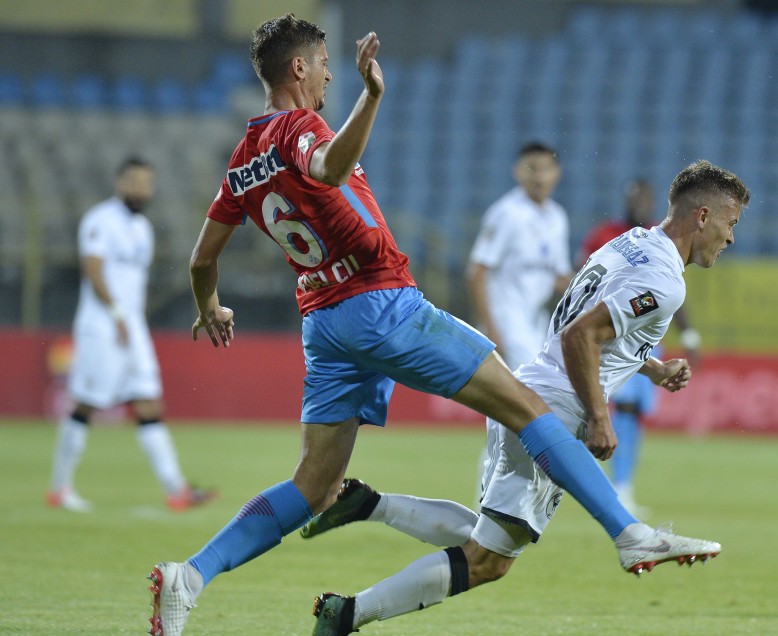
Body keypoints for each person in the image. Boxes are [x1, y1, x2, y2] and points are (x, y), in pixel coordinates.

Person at [147, 16, 721, 636]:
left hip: (323, 320)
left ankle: (192, 574)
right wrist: (371, 95)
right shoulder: (298, 128)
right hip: (381, 302)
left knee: (313, 485)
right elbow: (332, 168)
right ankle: (629, 533)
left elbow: (202, 260)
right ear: (298, 69)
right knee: (531, 410)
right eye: (322, 66)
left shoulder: (242, 159)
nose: (328, 76)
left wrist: (209, 305)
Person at [304, 159, 750, 635]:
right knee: (487, 561)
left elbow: (587, 320)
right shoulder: (665, 282)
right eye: (731, 222)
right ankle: (346, 613)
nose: (731, 237)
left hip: (527, 389)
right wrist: (599, 417)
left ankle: (368, 505)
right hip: (555, 410)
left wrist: (654, 367)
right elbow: (581, 335)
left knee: (489, 537)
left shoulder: (632, 243)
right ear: (702, 216)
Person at [46, 157, 216, 514]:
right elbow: (93, 270)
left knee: (149, 402)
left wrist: (130, 318)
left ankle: (177, 490)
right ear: (119, 182)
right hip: (102, 325)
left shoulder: (142, 228)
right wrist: (118, 312)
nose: (141, 189)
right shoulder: (100, 220)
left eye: (146, 183)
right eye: (134, 181)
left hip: (132, 326)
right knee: (86, 403)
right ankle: (59, 488)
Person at [578, 178, 704, 515]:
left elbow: (671, 294)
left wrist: (688, 334)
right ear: (625, 199)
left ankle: (622, 487)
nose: (639, 204)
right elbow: (583, 283)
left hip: (646, 343)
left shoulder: (659, 243)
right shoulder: (607, 236)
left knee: (631, 412)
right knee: (595, 408)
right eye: (634, 198)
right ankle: (592, 485)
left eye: (645, 199)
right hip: (607, 337)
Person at [467, 141, 572, 371]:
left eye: (546, 168)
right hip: (507, 320)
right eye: (531, 168)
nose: (540, 177)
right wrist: (491, 327)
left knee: (523, 396)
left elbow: (559, 276)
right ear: (517, 171)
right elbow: (477, 272)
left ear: (557, 173)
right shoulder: (507, 213)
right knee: (531, 392)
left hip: (536, 321)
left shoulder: (557, 217)